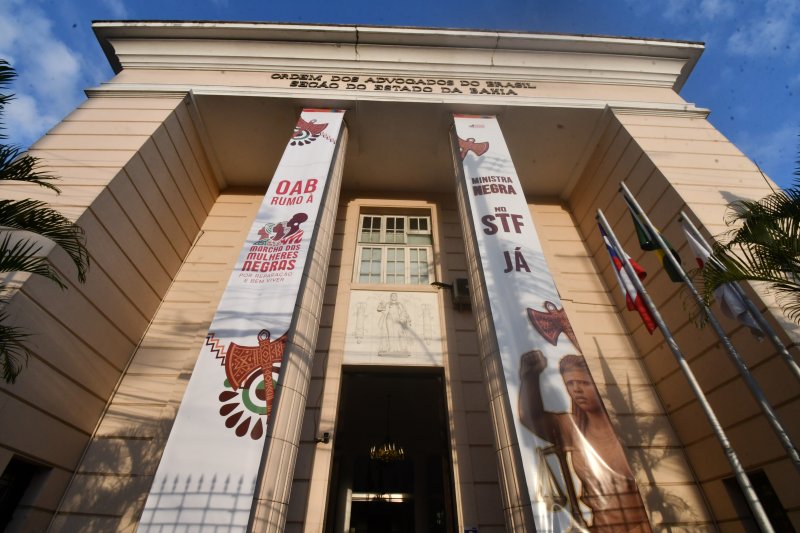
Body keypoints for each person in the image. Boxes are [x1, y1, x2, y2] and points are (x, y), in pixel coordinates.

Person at [519, 350, 650, 532]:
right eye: (570, 383)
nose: (577, 389)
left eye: (584, 383)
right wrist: (530, 377)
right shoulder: (573, 428)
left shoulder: (625, 430)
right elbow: (530, 417)